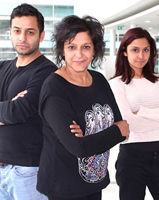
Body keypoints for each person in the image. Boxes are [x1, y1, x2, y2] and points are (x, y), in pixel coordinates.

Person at [0, 3, 57, 200]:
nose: (22, 38)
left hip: (28, 171)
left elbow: (17, 112)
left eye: (30, 32)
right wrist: (3, 110)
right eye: (17, 31)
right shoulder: (0, 68)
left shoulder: (47, 71)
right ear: (10, 32)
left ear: (41, 36)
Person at [37, 15, 130, 200]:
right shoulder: (54, 88)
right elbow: (79, 147)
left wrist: (93, 135)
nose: (79, 54)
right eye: (71, 47)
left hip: (94, 182)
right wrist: (114, 132)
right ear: (62, 50)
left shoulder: (99, 80)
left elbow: (121, 124)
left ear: (94, 49)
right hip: (63, 187)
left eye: (86, 47)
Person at [109, 27, 159, 200]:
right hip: (132, 157)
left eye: (146, 50)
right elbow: (130, 124)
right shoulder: (116, 84)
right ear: (124, 52)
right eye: (135, 50)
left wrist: (142, 111)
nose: (141, 55)